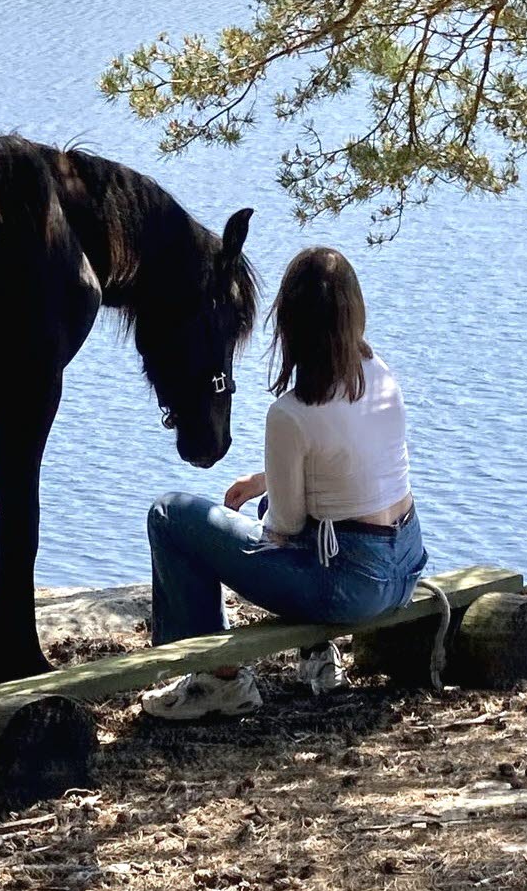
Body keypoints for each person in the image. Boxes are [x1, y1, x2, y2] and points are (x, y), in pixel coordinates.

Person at [141, 246, 427, 720]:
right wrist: (262, 481)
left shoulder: (290, 414)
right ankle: (319, 659)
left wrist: (225, 533)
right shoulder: (381, 376)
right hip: (405, 564)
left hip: (352, 587)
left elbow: (286, 527)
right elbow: (348, 464)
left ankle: (218, 680)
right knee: (269, 503)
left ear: (290, 322)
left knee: (170, 516)